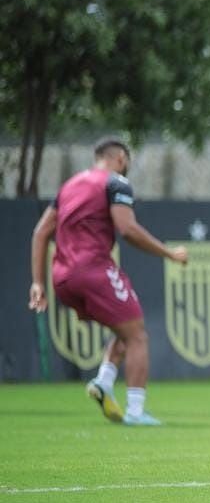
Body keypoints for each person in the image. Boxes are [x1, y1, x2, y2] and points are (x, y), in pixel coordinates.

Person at [28, 139, 188, 426]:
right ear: (121, 158)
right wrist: (169, 254)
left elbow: (40, 233)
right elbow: (127, 229)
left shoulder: (69, 186)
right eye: (126, 161)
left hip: (62, 278)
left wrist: (38, 282)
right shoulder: (116, 183)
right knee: (138, 335)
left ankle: (104, 380)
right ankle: (136, 411)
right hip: (93, 270)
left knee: (125, 327)